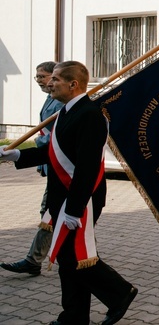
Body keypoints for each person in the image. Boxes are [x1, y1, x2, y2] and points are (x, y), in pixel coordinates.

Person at [1, 61, 137, 325]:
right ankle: (74, 318)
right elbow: (53, 152)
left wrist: (74, 210)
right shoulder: (66, 112)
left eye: (55, 79)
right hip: (63, 198)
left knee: (76, 258)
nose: (49, 84)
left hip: (80, 201)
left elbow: (87, 168)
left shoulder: (90, 114)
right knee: (69, 261)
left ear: (73, 84)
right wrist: (15, 154)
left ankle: (120, 293)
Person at [1, 61, 63, 277]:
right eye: (36, 77)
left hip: (62, 169)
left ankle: (34, 260)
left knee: (50, 212)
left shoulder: (61, 103)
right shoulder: (51, 98)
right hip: (51, 165)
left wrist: (39, 142)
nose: (39, 81)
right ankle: (86, 254)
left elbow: (57, 138)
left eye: (43, 76)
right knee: (57, 214)